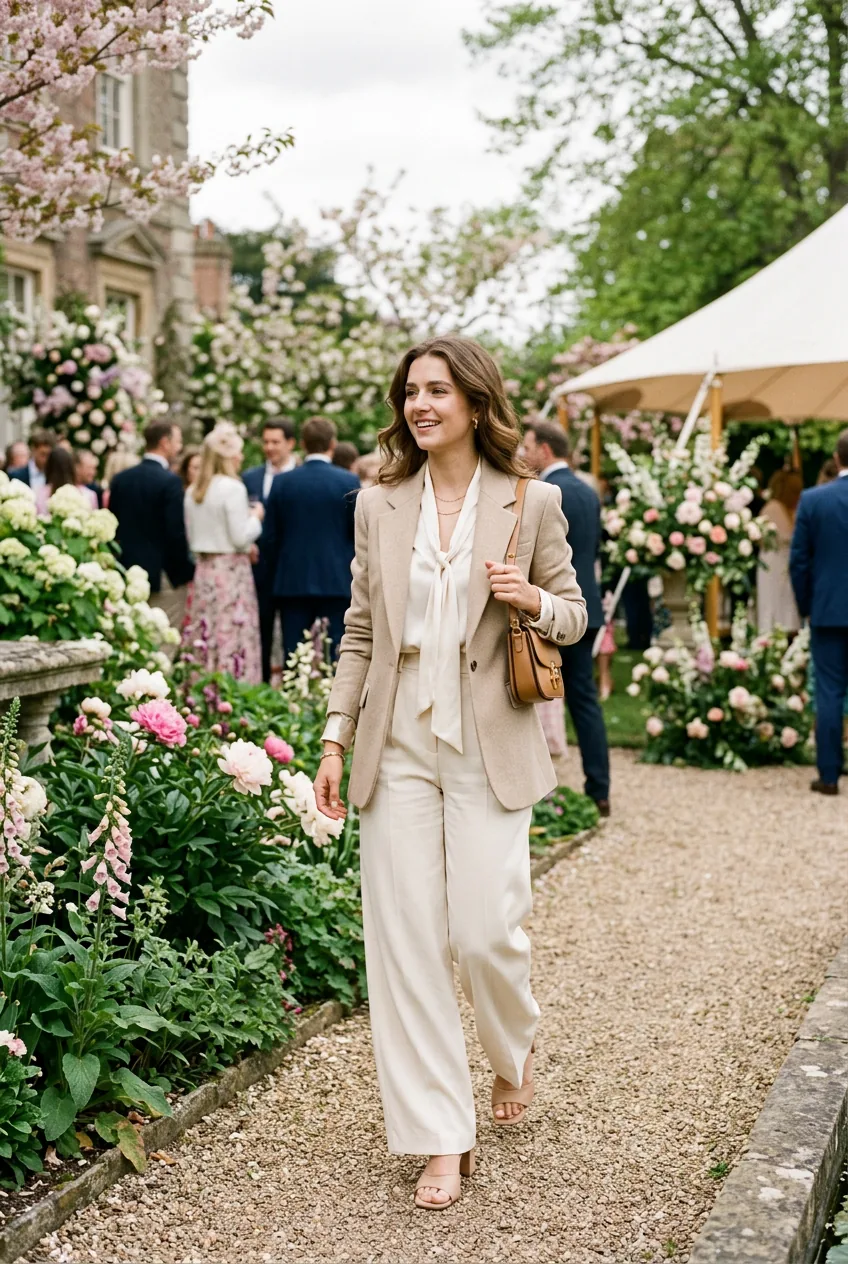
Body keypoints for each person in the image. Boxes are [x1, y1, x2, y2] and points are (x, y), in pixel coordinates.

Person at [314, 336, 587, 1211]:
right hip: (395, 747)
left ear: (475, 402)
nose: (419, 405)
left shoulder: (532, 502)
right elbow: (360, 630)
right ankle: (441, 1135)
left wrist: (530, 600)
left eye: (437, 391)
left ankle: (514, 1048)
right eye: (410, 393)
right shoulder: (377, 504)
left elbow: (575, 616)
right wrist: (333, 735)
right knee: (405, 946)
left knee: (484, 931)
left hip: (488, 745)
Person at [523, 420, 611, 816]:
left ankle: (537, 791)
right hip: (588, 607)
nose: (523, 453)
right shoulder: (588, 493)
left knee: (532, 691)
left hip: (554, 608)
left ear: (544, 449)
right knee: (583, 698)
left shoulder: (546, 493)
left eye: (527, 446)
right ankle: (599, 786)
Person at [262, 416, 359, 661]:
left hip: (292, 581)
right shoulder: (347, 481)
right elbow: (357, 533)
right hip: (336, 579)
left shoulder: (282, 482)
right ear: (332, 444)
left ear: (303, 444)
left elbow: (270, 537)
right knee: (336, 655)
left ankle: (294, 699)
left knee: (294, 656)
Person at [790, 428, 848, 796]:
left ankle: (829, 776)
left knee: (828, 692)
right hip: (827, 608)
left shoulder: (813, 500)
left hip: (827, 610)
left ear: (837, 458)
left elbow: (798, 562)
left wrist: (807, 607)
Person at [181, 423, 263, 682]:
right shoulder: (232, 488)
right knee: (232, 631)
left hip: (205, 570)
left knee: (207, 631)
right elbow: (240, 538)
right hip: (230, 571)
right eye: (237, 452)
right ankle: (233, 686)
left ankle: (202, 686)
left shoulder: (194, 490)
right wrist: (256, 518)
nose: (240, 457)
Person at [108, 420, 194, 630]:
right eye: (177, 441)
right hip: (163, 575)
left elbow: (113, 527)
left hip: (128, 571)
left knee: (134, 637)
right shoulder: (169, 482)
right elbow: (175, 533)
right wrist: (184, 573)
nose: (179, 447)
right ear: (165, 442)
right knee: (164, 637)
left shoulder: (121, 479)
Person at [242, 419, 300, 683]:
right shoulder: (249, 478)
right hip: (259, 567)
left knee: (294, 634)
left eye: (275, 442)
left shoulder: (301, 476)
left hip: (291, 566)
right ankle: (262, 683)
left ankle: (293, 687)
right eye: (265, 442)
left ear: (290, 443)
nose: (269, 447)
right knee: (260, 630)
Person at [757, 468, 803, 634]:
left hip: (784, 562)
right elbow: (790, 536)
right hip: (775, 562)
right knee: (775, 603)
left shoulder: (790, 510)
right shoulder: (774, 508)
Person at [35, 446, 98, 513]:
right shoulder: (87, 495)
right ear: (73, 468)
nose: (93, 472)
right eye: (89, 468)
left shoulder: (39, 494)